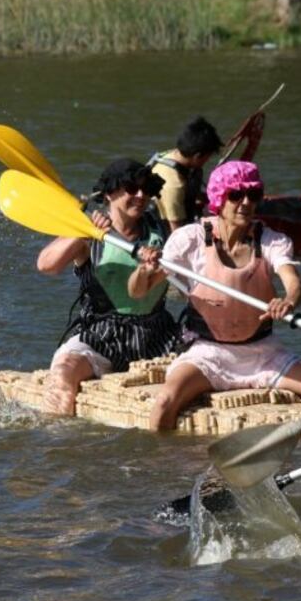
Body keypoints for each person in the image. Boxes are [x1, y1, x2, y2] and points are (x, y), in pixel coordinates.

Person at [128, 161, 301, 431]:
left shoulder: (271, 240)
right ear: (219, 199)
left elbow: (294, 284)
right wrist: (144, 271)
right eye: (236, 195)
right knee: (164, 403)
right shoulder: (190, 239)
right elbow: (137, 291)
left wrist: (288, 301)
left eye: (253, 195)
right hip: (207, 354)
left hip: (264, 356)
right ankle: (162, 458)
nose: (246, 203)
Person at [36, 159, 183, 416]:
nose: (141, 196)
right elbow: (46, 265)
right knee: (63, 372)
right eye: (131, 189)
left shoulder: (161, 229)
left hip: (158, 334)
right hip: (100, 334)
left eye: (146, 189)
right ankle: (59, 436)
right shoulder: (87, 231)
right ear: (108, 194)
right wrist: (84, 233)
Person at [148, 117, 223, 234]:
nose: (207, 160)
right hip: (166, 229)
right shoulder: (173, 185)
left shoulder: (172, 154)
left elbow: (194, 193)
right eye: (208, 157)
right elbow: (177, 232)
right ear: (197, 156)